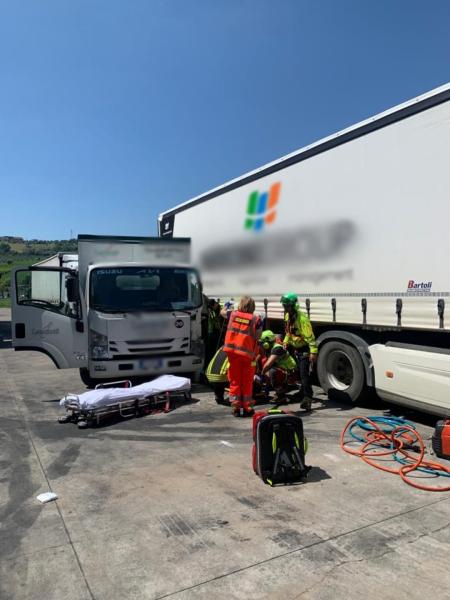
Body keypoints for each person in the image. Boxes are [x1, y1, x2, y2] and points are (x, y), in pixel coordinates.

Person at [222, 296, 262, 417]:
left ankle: (235, 405)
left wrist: (226, 305)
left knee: (235, 379)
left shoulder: (232, 315)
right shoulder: (256, 319)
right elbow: (257, 336)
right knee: (247, 380)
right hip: (247, 355)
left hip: (232, 353)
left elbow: (222, 312)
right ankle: (247, 406)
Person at [280, 293, 318, 412]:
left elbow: (310, 337)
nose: (286, 309)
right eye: (284, 306)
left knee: (304, 374)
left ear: (294, 306)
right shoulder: (287, 316)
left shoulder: (302, 319)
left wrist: (313, 352)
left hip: (305, 349)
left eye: (288, 306)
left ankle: (307, 398)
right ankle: (303, 392)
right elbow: (288, 332)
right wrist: (286, 341)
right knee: (299, 373)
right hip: (295, 348)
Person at [259, 330, 297, 404]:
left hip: (291, 373)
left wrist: (261, 375)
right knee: (268, 370)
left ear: (266, 343)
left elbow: (268, 365)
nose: (261, 345)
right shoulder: (271, 348)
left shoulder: (277, 348)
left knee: (271, 371)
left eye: (262, 343)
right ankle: (278, 392)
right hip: (284, 370)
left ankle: (281, 396)